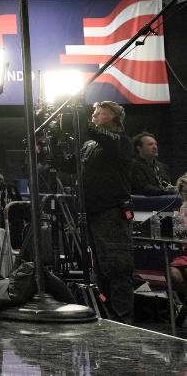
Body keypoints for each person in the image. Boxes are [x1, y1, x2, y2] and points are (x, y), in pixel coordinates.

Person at [79, 100, 135, 323]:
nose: (94, 115)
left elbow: (101, 135)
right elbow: (68, 164)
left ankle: (124, 321)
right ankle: (108, 316)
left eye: (100, 112)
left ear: (114, 117)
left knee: (118, 268)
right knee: (100, 271)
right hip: (92, 213)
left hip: (111, 212)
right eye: (93, 112)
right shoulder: (90, 146)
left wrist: (79, 114)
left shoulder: (122, 142)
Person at [168, 175, 187, 295]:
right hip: (185, 253)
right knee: (173, 272)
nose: (185, 194)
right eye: (183, 191)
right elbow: (178, 236)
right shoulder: (180, 209)